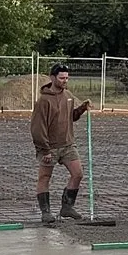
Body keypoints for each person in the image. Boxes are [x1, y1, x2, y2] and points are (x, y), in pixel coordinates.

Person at [30, 63, 90, 221]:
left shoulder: (68, 96)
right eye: (62, 78)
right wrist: (44, 150)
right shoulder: (44, 101)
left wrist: (82, 109)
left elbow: (71, 117)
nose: (65, 81)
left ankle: (67, 207)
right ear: (52, 78)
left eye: (67, 78)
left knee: (78, 174)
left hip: (68, 144)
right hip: (49, 147)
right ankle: (46, 212)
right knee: (44, 177)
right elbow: (37, 127)